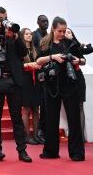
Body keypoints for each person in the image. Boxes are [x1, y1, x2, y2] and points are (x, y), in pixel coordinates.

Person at [0, 8, 33, 162]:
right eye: (1, 18)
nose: (4, 21)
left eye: (6, 18)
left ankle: (22, 150)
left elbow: (23, 53)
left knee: (16, 117)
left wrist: (15, 38)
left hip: (13, 81)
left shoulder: (13, 34)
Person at [34, 17, 86, 161]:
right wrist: (53, 57)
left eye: (64, 31)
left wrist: (77, 61)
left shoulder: (71, 43)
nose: (62, 33)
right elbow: (38, 61)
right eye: (59, 31)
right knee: (51, 119)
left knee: (74, 119)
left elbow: (83, 60)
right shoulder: (45, 43)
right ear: (53, 29)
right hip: (51, 85)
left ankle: (76, 153)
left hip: (70, 84)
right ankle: (50, 151)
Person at [19, 28, 43, 145]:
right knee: (26, 109)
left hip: (36, 81)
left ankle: (36, 135)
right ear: (22, 36)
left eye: (30, 34)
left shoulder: (35, 50)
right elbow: (18, 66)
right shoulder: (20, 50)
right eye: (26, 34)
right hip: (25, 81)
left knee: (36, 109)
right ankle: (27, 136)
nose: (29, 36)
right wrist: (29, 65)